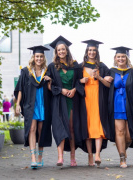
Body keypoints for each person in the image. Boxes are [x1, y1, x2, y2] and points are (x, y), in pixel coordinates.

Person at [47, 35, 87, 167]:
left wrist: (75, 89)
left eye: (63, 49)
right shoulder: (52, 67)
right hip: (59, 101)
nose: (61, 52)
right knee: (60, 128)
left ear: (67, 50)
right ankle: (60, 158)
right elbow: (50, 85)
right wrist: (61, 90)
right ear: (56, 52)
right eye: (59, 50)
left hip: (72, 100)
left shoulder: (75, 66)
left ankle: (73, 158)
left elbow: (79, 81)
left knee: (71, 128)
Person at [107, 46, 133, 168]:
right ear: (115, 58)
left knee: (129, 135)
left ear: (127, 58)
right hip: (116, 104)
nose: (121, 58)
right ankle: (122, 158)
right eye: (118, 56)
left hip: (130, 104)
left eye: (123, 56)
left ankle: (123, 149)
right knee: (119, 131)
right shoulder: (111, 72)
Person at [14, 45, 52, 169]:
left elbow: (53, 88)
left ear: (44, 58)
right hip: (31, 105)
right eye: (37, 56)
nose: (39, 58)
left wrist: (49, 80)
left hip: (43, 105)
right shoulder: (26, 71)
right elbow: (20, 88)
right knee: (32, 129)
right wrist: (18, 104)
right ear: (33, 57)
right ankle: (33, 158)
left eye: (41, 56)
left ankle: (40, 156)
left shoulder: (48, 72)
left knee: (41, 131)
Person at [79, 39, 112, 167]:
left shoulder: (102, 67)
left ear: (97, 52)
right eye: (90, 50)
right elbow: (75, 82)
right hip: (85, 100)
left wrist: (99, 77)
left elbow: (108, 84)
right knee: (87, 128)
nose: (92, 52)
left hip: (98, 100)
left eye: (94, 50)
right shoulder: (80, 66)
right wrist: (81, 80)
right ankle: (90, 155)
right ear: (87, 51)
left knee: (98, 127)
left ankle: (97, 154)